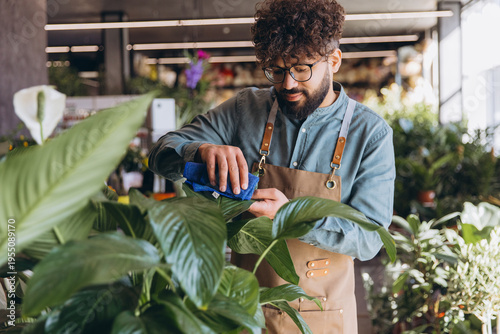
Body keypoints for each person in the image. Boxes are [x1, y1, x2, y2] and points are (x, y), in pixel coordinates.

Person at [148, 0, 395, 332]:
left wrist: (291, 216)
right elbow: (161, 154)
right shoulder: (245, 109)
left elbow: (370, 238)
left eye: (302, 68)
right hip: (246, 316)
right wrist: (200, 150)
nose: (288, 84)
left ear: (333, 60)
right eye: (276, 70)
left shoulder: (371, 135)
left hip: (324, 319)